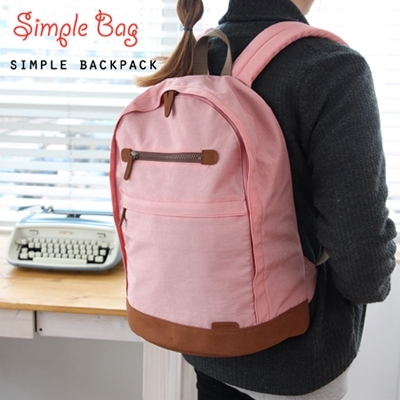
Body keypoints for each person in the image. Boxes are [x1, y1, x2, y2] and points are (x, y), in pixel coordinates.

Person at [137, 0, 398, 398]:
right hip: (296, 360)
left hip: (203, 343)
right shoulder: (330, 67)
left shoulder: (197, 56)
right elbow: (363, 263)